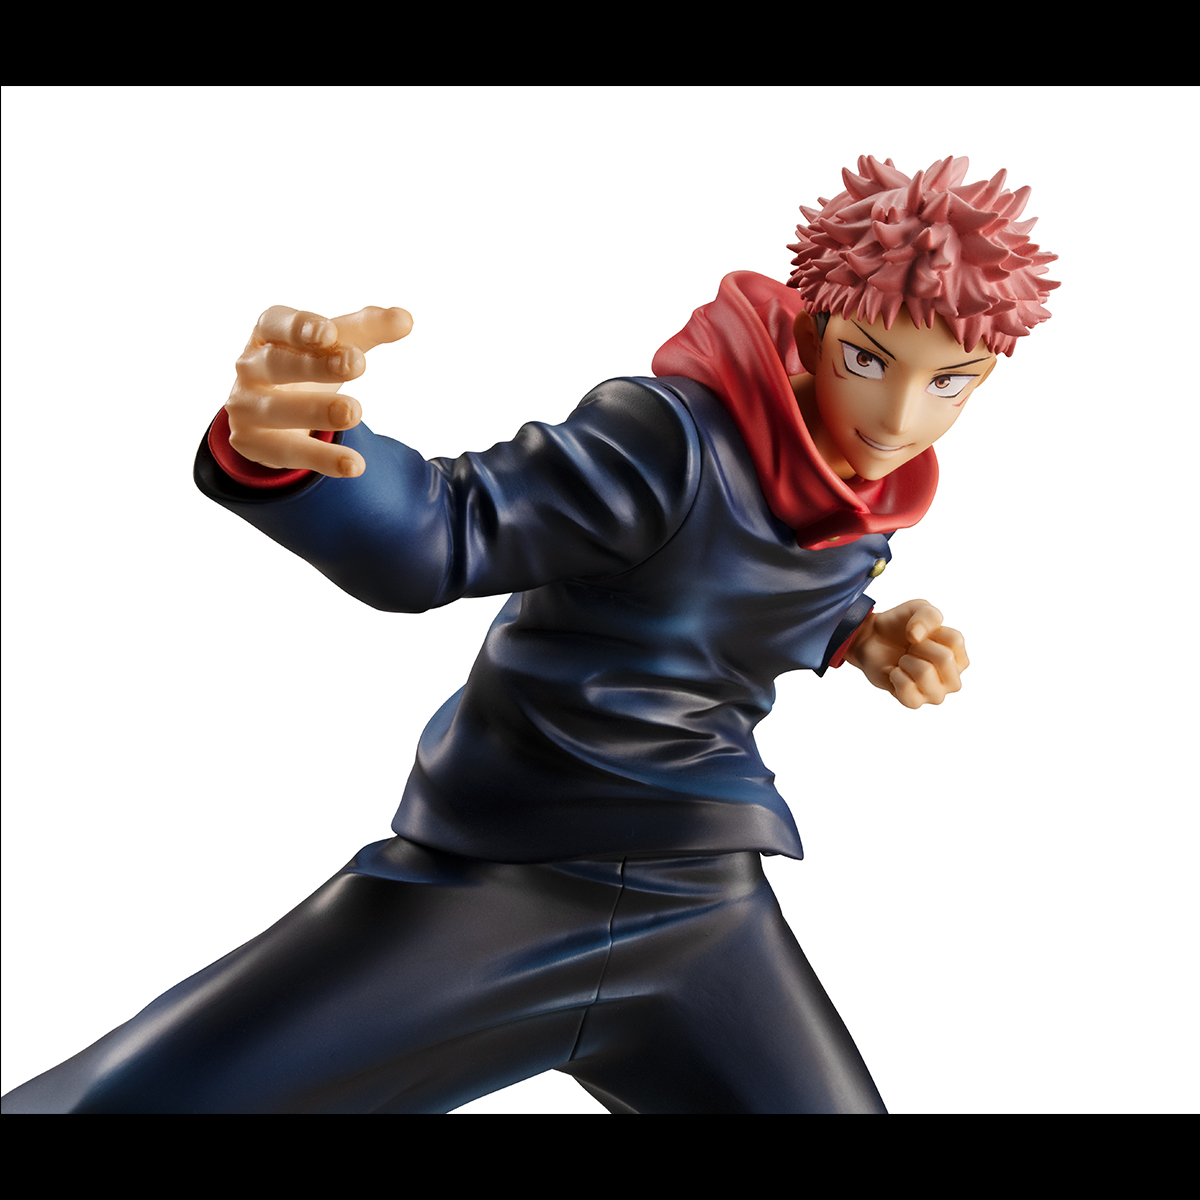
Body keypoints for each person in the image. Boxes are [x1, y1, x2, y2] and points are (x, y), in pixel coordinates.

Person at [2, 155, 1057, 1114]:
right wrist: (295, 446)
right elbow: (448, 531)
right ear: (813, 334)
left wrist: (860, 634)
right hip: (506, 875)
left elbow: (738, 593)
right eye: (870, 362)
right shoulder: (664, 442)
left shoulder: (855, 490)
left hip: (700, 905)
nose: (899, 419)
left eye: (949, 384)